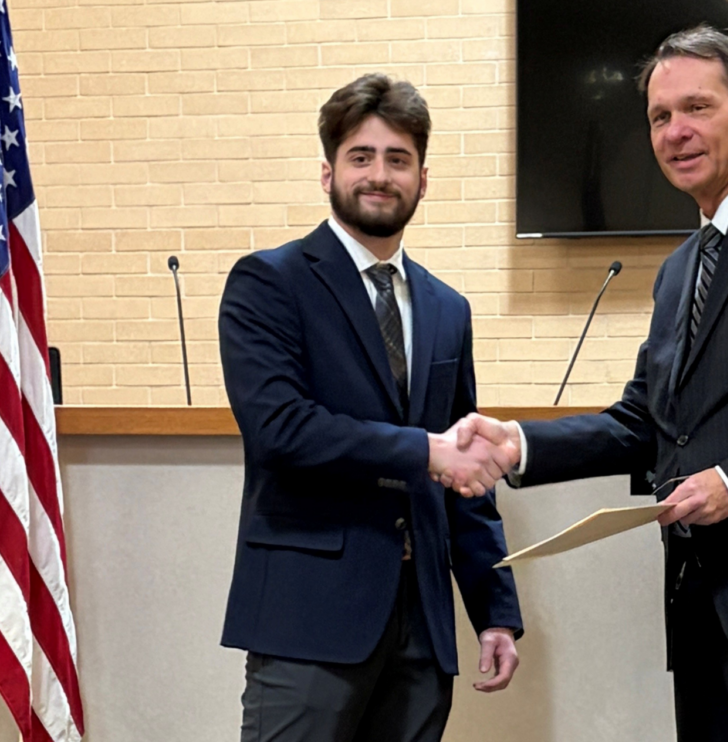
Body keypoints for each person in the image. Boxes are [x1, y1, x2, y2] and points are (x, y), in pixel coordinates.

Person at [456, 24, 728, 742]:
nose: (676, 131)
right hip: (702, 614)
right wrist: (515, 445)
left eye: (697, 107)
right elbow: (645, 422)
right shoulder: (678, 272)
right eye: (660, 117)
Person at [218, 73, 523, 742]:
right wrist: (425, 450)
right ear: (327, 172)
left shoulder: (448, 309)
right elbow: (281, 430)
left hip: (422, 631)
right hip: (308, 619)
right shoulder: (269, 283)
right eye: (361, 157)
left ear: (422, 178)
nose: (379, 175)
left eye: (398, 159)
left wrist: (495, 611)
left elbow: (465, 475)